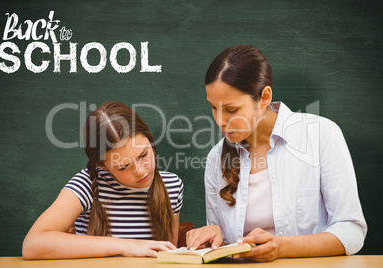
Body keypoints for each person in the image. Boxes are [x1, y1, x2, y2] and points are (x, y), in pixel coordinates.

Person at [186, 45, 367, 262]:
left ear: (264, 97)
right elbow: (227, 249)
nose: (220, 121)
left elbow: (351, 231)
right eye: (213, 107)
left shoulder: (321, 136)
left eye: (232, 110)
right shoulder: (217, 157)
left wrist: (281, 247)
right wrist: (214, 237)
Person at [22, 101, 184, 259]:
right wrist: (126, 246)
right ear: (103, 165)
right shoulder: (86, 184)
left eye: (143, 155)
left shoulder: (172, 186)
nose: (141, 171)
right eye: (123, 167)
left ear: (150, 141)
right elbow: (33, 244)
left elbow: (168, 257)